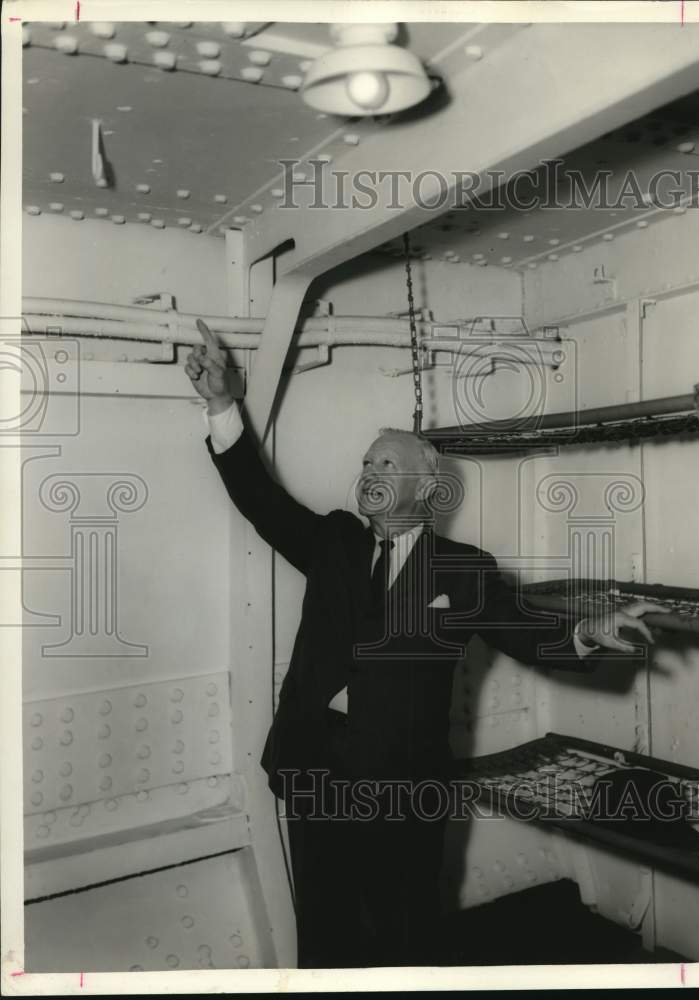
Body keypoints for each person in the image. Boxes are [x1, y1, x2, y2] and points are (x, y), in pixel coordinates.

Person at [185, 320, 668, 968]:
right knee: (324, 937)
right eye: (365, 462)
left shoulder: (463, 569)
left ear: (427, 487)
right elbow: (259, 501)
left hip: (403, 786)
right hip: (313, 770)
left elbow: (521, 630)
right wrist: (221, 404)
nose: (369, 471)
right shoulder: (333, 543)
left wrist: (589, 631)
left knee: (401, 936)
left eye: (387, 462)